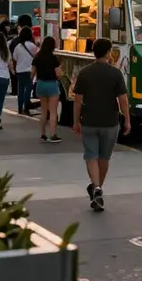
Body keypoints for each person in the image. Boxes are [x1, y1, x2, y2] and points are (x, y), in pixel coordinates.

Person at [72, 38, 130, 212]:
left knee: (91, 156)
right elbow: (123, 99)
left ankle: (96, 187)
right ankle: (98, 188)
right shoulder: (115, 73)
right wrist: (127, 119)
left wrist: (75, 121)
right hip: (110, 122)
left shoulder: (85, 73)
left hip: (89, 120)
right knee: (104, 157)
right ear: (108, 53)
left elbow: (77, 100)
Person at [32, 36, 63, 142]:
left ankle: (43, 134)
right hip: (52, 84)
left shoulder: (38, 56)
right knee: (53, 111)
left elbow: (32, 73)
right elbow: (59, 73)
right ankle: (53, 135)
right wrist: (59, 77)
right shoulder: (53, 58)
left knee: (44, 111)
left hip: (40, 84)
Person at [12, 26, 38, 114]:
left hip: (20, 71)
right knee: (28, 89)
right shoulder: (33, 46)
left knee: (21, 90)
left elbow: (15, 59)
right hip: (30, 71)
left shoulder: (18, 47)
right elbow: (37, 57)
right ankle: (27, 106)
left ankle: (20, 108)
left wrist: (15, 68)